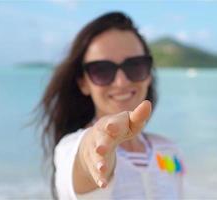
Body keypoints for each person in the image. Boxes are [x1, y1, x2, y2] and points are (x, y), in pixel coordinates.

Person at [37, 11, 184, 199]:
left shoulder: (169, 150)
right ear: (83, 82)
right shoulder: (69, 149)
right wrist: (95, 146)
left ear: (148, 74)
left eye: (135, 65)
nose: (121, 82)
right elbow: (86, 156)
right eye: (102, 70)